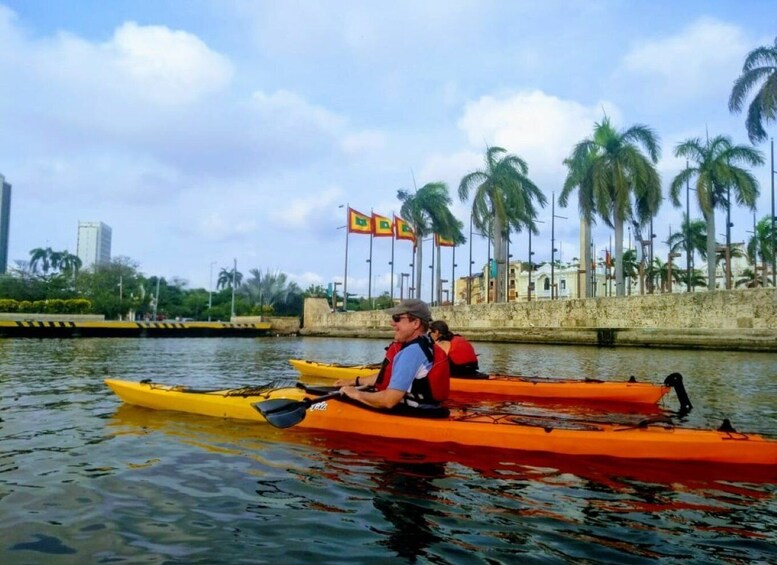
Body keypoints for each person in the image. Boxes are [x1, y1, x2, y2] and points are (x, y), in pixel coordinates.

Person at [337, 299, 450, 410]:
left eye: (397, 319)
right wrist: (354, 381)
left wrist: (356, 394)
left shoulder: (412, 352)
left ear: (415, 323)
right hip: (429, 408)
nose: (392, 323)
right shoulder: (426, 343)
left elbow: (388, 401)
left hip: (413, 414)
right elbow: (392, 375)